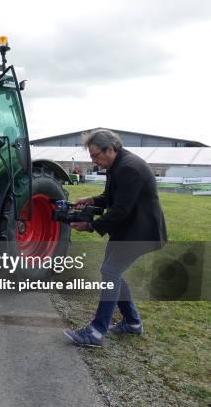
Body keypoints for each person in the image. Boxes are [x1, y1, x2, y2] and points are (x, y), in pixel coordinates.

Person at [64, 129, 167, 347]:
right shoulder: (116, 165)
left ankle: (96, 332)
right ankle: (132, 323)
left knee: (111, 272)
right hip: (128, 231)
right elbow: (112, 198)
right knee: (113, 272)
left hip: (140, 233)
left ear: (110, 149)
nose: (93, 160)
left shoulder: (129, 168)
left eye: (95, 156)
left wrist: (90, 225)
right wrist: (91, 199)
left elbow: (120, 210)